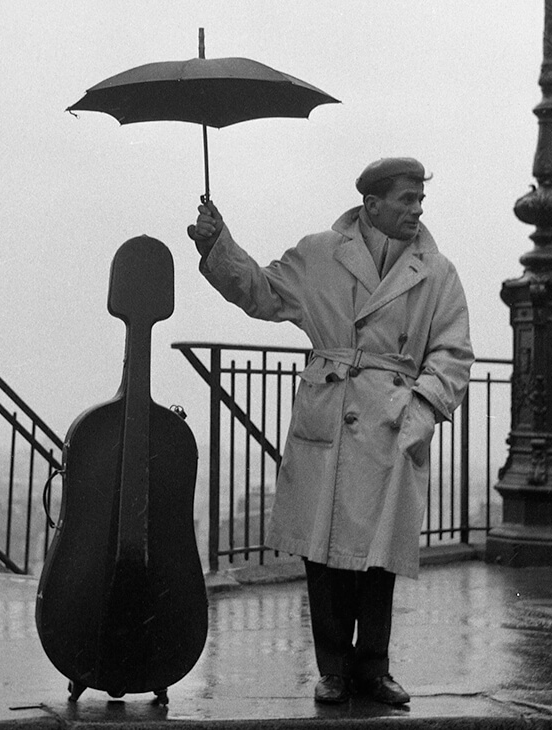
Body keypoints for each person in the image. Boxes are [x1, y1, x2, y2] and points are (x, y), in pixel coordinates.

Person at [186, 157, 473, 705]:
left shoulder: (437, 272)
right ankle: (333, 668)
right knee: (322, 552)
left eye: (420, 200)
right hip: (331, 414)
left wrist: (420, 411)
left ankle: (375, 667)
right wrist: (215, 243)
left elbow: (453, 352)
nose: (416, 209)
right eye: (406, 199)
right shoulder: (320, 254)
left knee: (379, 554)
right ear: (371, 204)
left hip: (392, 422)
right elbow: (262, 292)